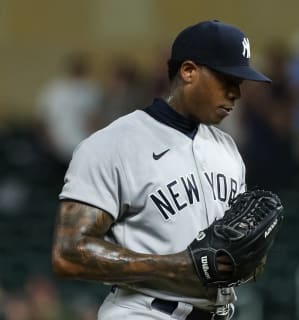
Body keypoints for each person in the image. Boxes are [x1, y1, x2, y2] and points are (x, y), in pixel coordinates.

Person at [51, 20, 271, 320]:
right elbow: (69, 252)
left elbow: (227, 251)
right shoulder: (113, 144)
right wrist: (178, 265)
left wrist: (247, 259)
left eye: (240, 82)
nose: (236, 93)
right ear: (189, 71)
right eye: (226, 79)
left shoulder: (228, 149)